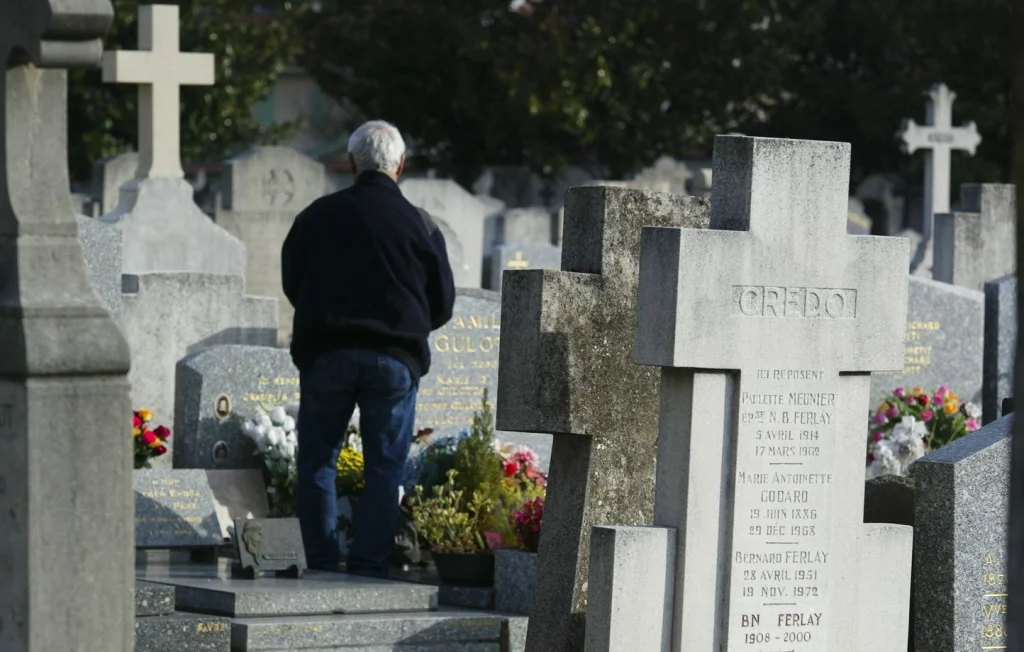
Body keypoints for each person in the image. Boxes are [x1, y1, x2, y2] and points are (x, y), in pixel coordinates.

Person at [281, 120, 455, 576]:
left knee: (319, 459)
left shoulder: (316, 216)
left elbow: (293, 282)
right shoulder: (421, 224)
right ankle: (369, 562)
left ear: (352, 161)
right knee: (385, 466)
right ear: (400, 165)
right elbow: (442, 303)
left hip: (327, 355)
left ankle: (319, 558)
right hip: (394, 361)